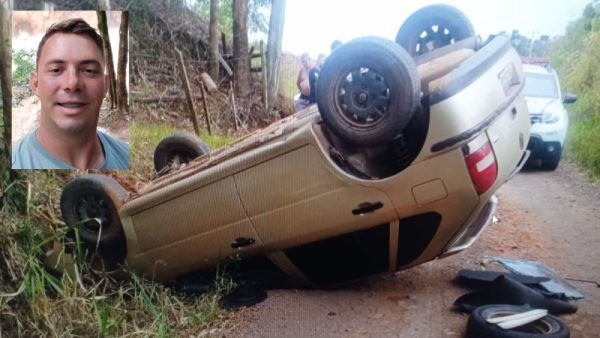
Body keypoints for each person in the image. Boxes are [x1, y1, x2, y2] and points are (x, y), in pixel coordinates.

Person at [12, 18, 128, 169]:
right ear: (35, 84)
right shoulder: (14, 163)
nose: (72, 84)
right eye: (56, 70)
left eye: (89, 71)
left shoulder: (125, 156)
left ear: (105, 86)